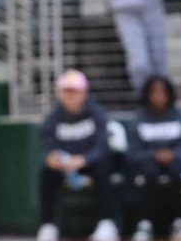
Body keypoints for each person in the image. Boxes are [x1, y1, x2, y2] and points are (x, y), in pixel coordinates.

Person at [36, 70, 119, 241]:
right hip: (64, 167)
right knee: (46, 173)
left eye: (74, 92)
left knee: (103, 167)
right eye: (66, 92)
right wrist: (52, 157)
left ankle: (107, 223)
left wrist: (83, 160)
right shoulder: (53, 118)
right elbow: (47, 144)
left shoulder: (97, 114)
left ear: (84, 93)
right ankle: (48, 225)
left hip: (89, 165)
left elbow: (102, 147)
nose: (70, 96)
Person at [129, 77, 181, 241]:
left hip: (175, 163)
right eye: (155, 92)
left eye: (162, 92)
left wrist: (172, 155)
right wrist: (154, 155)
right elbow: (134, 153)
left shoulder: (178, 116)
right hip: (148, 164)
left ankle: (178, 222)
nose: (159, 97)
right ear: (147, 95)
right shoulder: (139, 118)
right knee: (149, 173)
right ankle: (146, 223)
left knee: (176, 172)